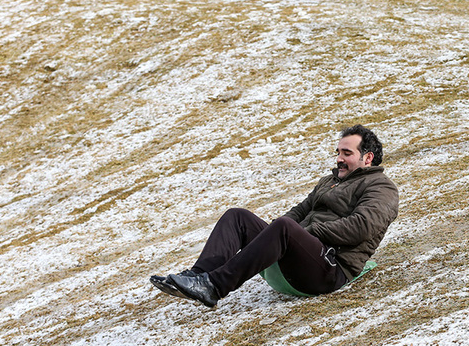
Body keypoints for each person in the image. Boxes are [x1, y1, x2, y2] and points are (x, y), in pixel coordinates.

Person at [150, 124, 399, 308]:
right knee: (237, 216)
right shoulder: (330, 181)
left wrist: (302, 233)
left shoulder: (381, 187)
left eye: (347, 153)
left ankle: (214, 287)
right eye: (338, 152)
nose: (339, 159)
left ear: (367, 158)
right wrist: (271, 238)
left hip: (330, 269)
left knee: (284, 227)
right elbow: (300, 211)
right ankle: (197, 276)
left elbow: (362, 227)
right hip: (303, 256)